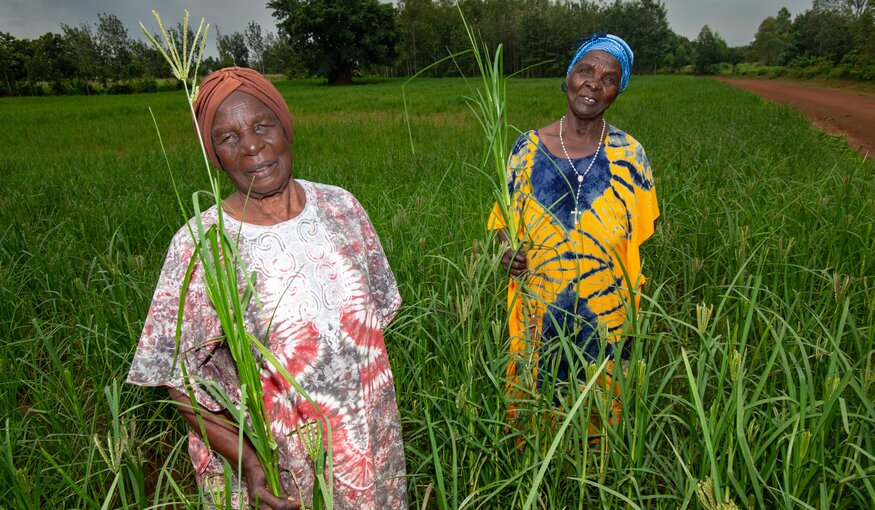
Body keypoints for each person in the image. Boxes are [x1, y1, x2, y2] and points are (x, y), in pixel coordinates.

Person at [127, 67, 407, 509]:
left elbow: (371, 333)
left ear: (285, 127)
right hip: (282, 472)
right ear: (214, 155)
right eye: (229, 137)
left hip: (370, 451)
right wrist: (253, 466)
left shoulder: (342, 207)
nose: (252, 146)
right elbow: (181, 384)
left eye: (262, 126)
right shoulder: (202, 244)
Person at [489, 34, 659, 431]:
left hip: (606, 313)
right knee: (535, 405)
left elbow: (636, 236)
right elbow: (503, 224)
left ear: (619, 89)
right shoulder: (525, 149)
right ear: (568, 76)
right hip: (539, 308)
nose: (594, 84)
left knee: (602, 414)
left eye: (609, 78)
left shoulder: (631, 154)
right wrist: (505, 253)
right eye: (586, 70)